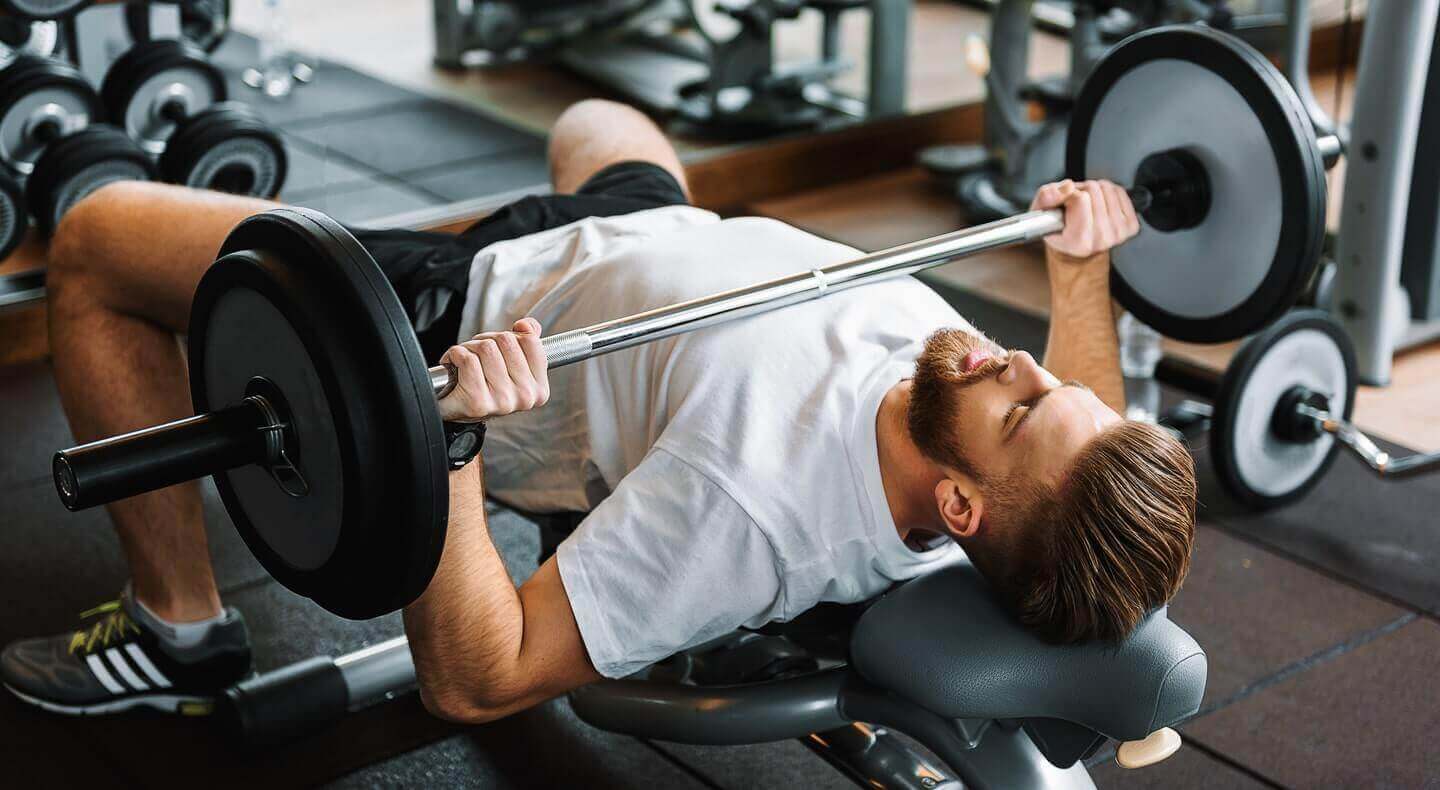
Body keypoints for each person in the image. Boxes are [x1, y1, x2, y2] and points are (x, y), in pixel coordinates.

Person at [2, 100, 1195, 719]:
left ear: (957, 502)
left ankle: (177, 623)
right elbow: (1087, 414)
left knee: (97, 243)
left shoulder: (750, 509)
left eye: (1029, 403)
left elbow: (479, 678)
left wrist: (450, 440)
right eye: (1063, 382)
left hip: (483, 306)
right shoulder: (972, 403)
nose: (1028, 365)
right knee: (602, 129)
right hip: (644, 230)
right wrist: (1082, 273)